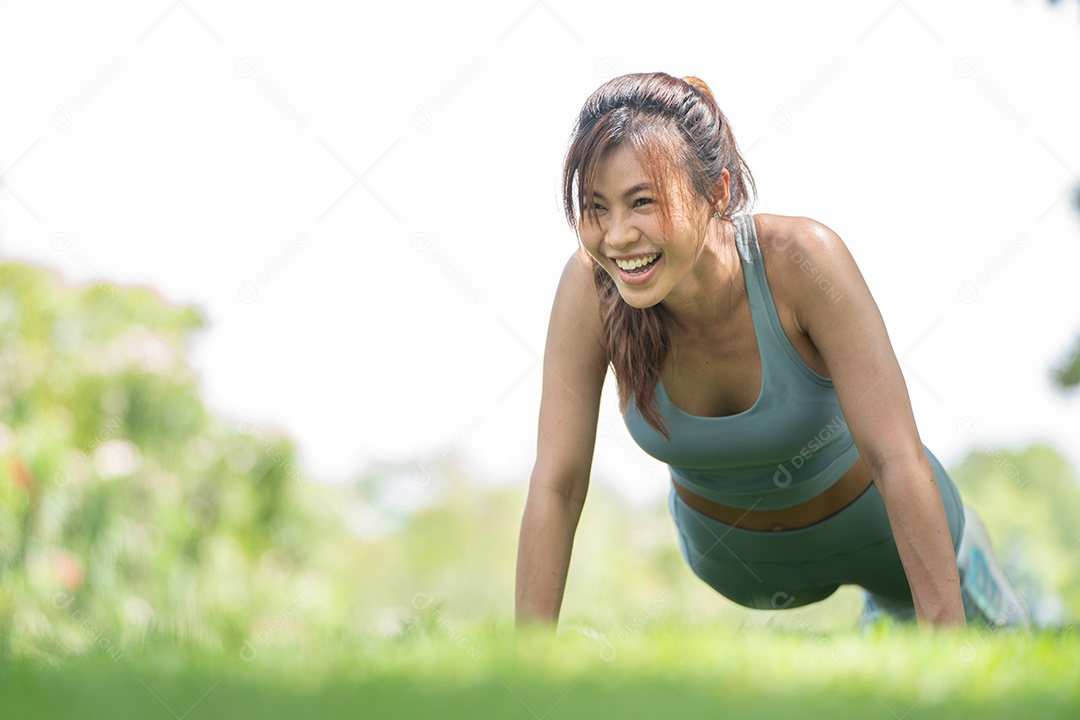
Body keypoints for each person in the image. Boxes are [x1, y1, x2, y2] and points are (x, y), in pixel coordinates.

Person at [515, 72, 1030, 630]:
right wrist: (529, 658)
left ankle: (921, 606)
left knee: (1003, 648)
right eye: (596, 208)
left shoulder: (801, 258)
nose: (617, 236)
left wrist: (947, 637)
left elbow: (896, 458)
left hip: (879, 534)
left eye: (642, 202)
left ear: (718, 191)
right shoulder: (591, 287)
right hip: (738, 567)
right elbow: (558, 485)